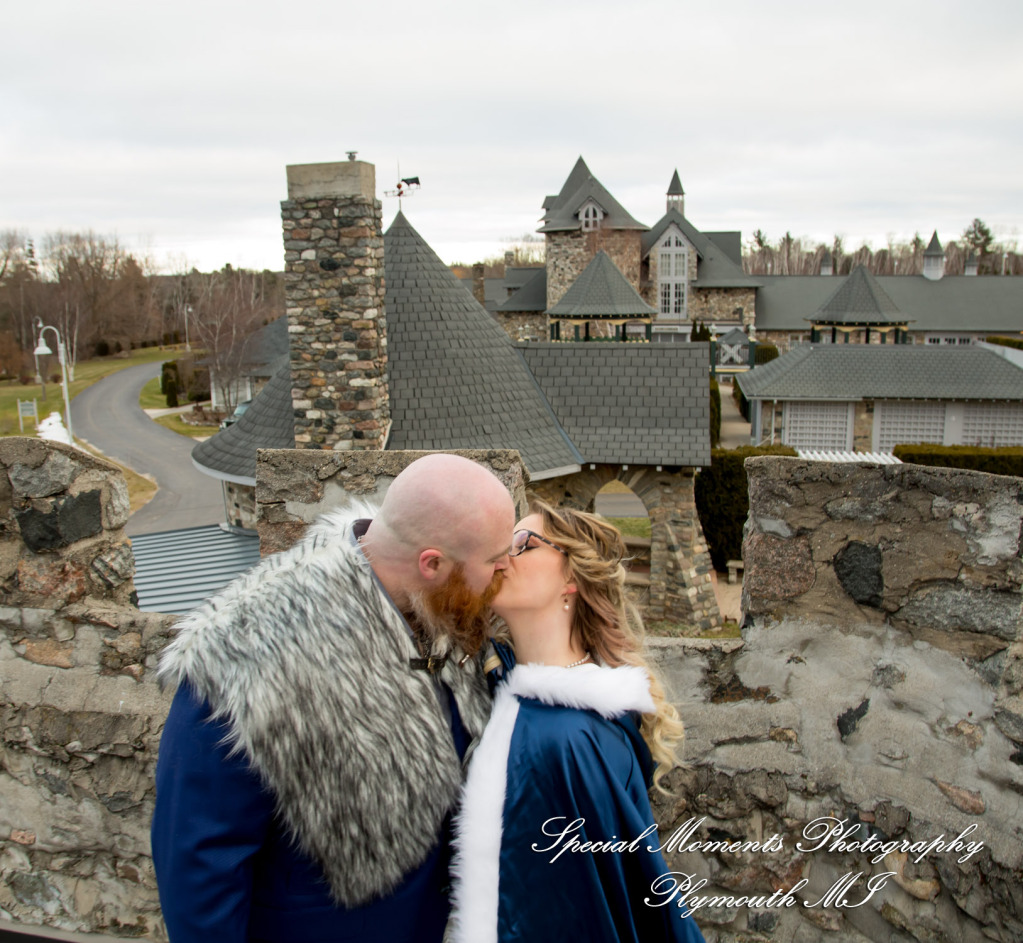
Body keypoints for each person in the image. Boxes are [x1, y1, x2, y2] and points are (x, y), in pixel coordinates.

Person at [151, 453, 516, 943]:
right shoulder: (242, 655)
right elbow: (199, 867)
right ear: (432, 563)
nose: (507, 570)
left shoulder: (445, 609)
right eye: (495, 561)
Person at [449, 500, 705, 943]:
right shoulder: (503, 692)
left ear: (572, 579)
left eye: (524, 544)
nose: (503, 557)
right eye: (502, 545)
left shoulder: (573, 740)